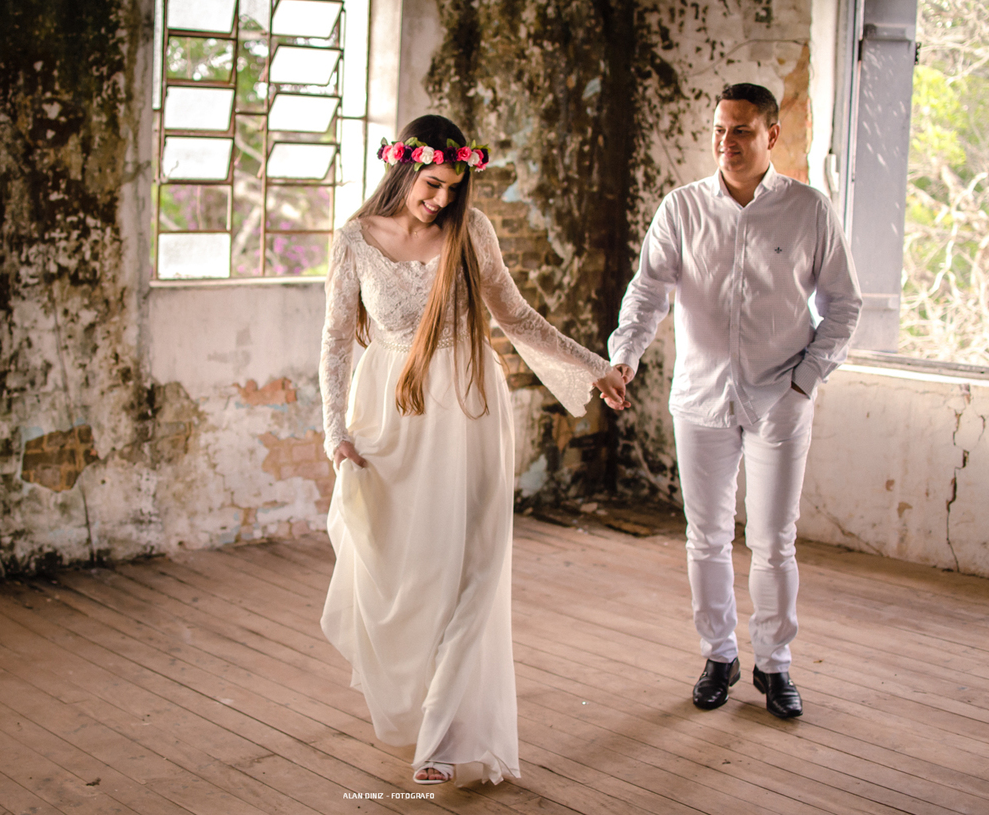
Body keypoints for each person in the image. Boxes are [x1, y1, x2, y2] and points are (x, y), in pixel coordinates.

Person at [319, 114, 628, 786]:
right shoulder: (355, 241)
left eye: (453, 188)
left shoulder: (470, 231)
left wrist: (593, 367)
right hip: (392, 418)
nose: (441, 200)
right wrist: (334, 432)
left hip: (469, 407)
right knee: (410, 571)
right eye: (432, 184)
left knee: (475, 569)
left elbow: (515, 316)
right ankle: (418, 699)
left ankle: (446, 736)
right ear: (405, 170)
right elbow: (337, 340)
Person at [605, 83, 862, 718]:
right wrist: (625, 354)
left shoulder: (809, 210)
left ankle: (774, 667)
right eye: (720, 129)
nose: (727, 142)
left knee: (775, 540)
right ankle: (719, 655)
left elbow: (844, 305)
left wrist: (806, 381)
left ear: (772, 135)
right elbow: (648, 293)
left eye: (742, 130)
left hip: (781, 396)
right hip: (699, 398)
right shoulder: (682, 209)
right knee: (707, 536)